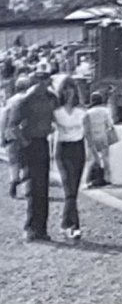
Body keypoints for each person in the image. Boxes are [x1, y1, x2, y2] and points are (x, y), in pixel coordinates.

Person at [11, 69, 57, 242]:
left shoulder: (51, 98)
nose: (46, 85)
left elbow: (57, 115)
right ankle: (30, 227)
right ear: (36, 82)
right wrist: (24, 142)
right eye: (43, 82)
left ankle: (41, 228)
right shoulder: (24, 101)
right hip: (30, 143)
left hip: (43, 142)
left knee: (43, 187)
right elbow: (13, 127)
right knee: (32, 186)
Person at [53, 76, 87, 240]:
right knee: (69, 188)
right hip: (63, 149)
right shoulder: (56, 111)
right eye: (65, 89)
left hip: (78, 149)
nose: (68, 92)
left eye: (71, 88)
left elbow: (87, 133)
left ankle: (66, 224)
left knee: (74, 190)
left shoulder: (81, 111)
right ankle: (73, 226)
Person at [1, 76, 31, 198]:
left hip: (11, 134)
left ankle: (14, 181)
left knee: (14, 161)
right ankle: (26, 189)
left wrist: (2, 135)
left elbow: (4, 119)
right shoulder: (29, 100)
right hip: (26, 133)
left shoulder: (10, 101)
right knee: (26, 162)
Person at [83, 91, 118, 187]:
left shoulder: (88, 112)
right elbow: (110, 124)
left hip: (92, 136)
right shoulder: (105, 111)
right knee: (105, 157)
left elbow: (85, 127)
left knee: (92, 158)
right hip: (103, 136)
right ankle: (107, 178)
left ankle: (89, 179)